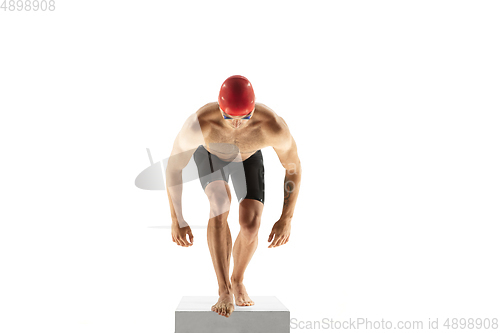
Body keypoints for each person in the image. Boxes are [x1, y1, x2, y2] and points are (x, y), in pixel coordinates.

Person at [166, 75, 302, 318]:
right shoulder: (199, 124)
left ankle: (237, 279)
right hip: (210, 155)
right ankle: (223, 289)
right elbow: (174, 168)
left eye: (245, 118)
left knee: (251, 224)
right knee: (220, 203)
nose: (237, 124)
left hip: (248, 157)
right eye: (230, 118)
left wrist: (287, 218)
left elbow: (293, 168)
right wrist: (177, 219)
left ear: (254, 109)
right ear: (220, 109)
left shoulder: (272, 126)